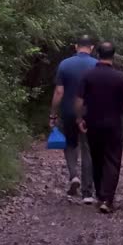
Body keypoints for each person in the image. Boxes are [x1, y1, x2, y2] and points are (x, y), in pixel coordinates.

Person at [74, 41, 123, 214]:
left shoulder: (88, 76)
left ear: (98, 54)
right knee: (112, 160)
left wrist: (79, 118)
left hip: (93, 123)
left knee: (96, 158)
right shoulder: (120, 77)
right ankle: (107, 199)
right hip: (113, 124)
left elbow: (79, 101)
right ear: (113, 56)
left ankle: (100, 195)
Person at [49, 35, 97, 204]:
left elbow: (59, 92)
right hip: (90, 114)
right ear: (91, 47)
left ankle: (74, 175)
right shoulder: (96, 65)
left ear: (76, 46)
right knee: (88, 150)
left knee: (70, 145)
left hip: (68, 112)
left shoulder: (64, 64)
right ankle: (87, 193)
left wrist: (53, 113)